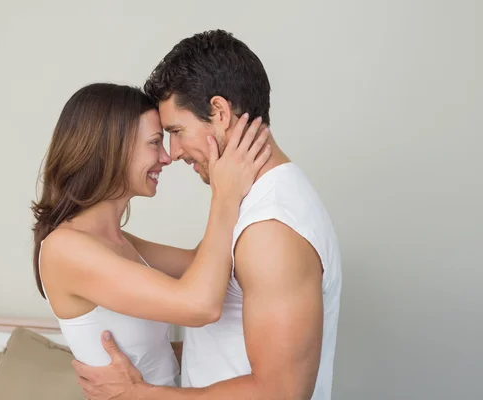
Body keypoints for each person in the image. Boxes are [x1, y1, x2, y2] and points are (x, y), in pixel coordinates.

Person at [72, 30, 342, 400]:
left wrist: (139, 393)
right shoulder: (250, 204)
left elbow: (280, 392)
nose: (174, 152)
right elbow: (207, 288)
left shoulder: (271, 229)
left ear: (219, 112)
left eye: (178, 131)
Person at [31, 82, 271, 388]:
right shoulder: (65, 249)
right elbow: (201, 305)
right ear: (112, 149)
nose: (166, 157)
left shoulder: (119, 242)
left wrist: (238, 181)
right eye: (155, 142)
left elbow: (205, 264)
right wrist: (224, 195)